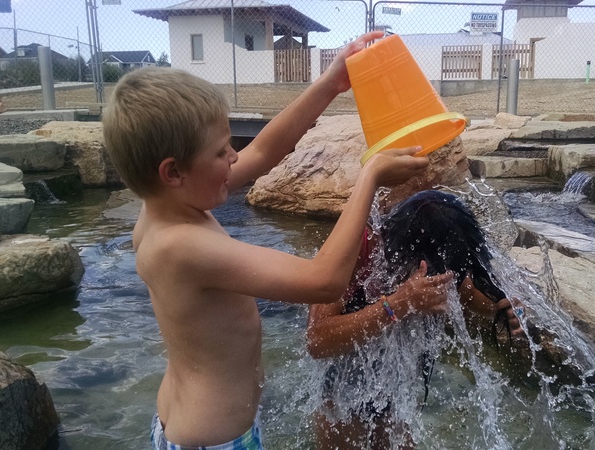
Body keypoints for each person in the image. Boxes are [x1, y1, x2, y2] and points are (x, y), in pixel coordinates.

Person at [101, 31, 431, 449]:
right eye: (222, 152)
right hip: (216, 442)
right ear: (173, 172)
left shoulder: (165, 205)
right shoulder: (180, 246)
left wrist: (331, 82)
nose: (235, 157)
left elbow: (262, 153)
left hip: (193, 428)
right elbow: (324, 281)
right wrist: (370, 177)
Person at [307, 190, 523, 450]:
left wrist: (498, 308)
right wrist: (398, 303)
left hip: (393, 381)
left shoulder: (437, 250)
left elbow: (463, 290)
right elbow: (317, 339)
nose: (440, 278)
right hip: (342, 385)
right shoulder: (357, 246)